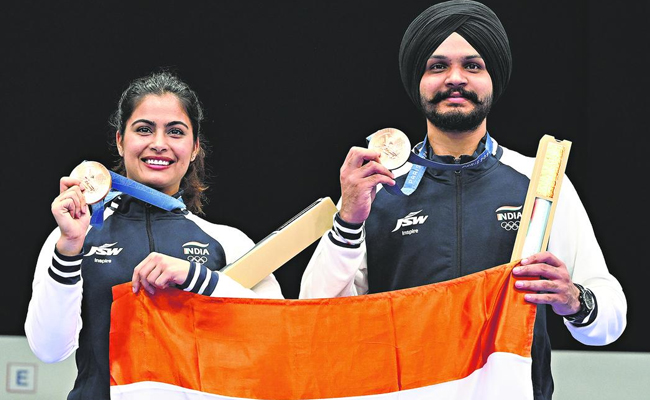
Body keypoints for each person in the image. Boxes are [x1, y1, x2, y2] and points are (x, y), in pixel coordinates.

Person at [299, 1, 627, 399]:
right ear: (417, 80)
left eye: (473, 66)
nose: (455, 78)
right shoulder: (376, 188)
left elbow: (609, 319)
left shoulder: (540, 183)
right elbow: (316, 317)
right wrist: (348, 218)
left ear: (494, 79)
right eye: (437, 66)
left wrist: (574, 299)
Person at [25, 71, 283, 399]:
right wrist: (69, 250)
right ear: (120, 141)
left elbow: (275, 334)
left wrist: (201, 279)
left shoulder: (228, 242)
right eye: (144, 129)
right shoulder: (73, 237)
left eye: (175, 132)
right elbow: (49, 350)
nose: (159, 143)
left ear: (194, 148)